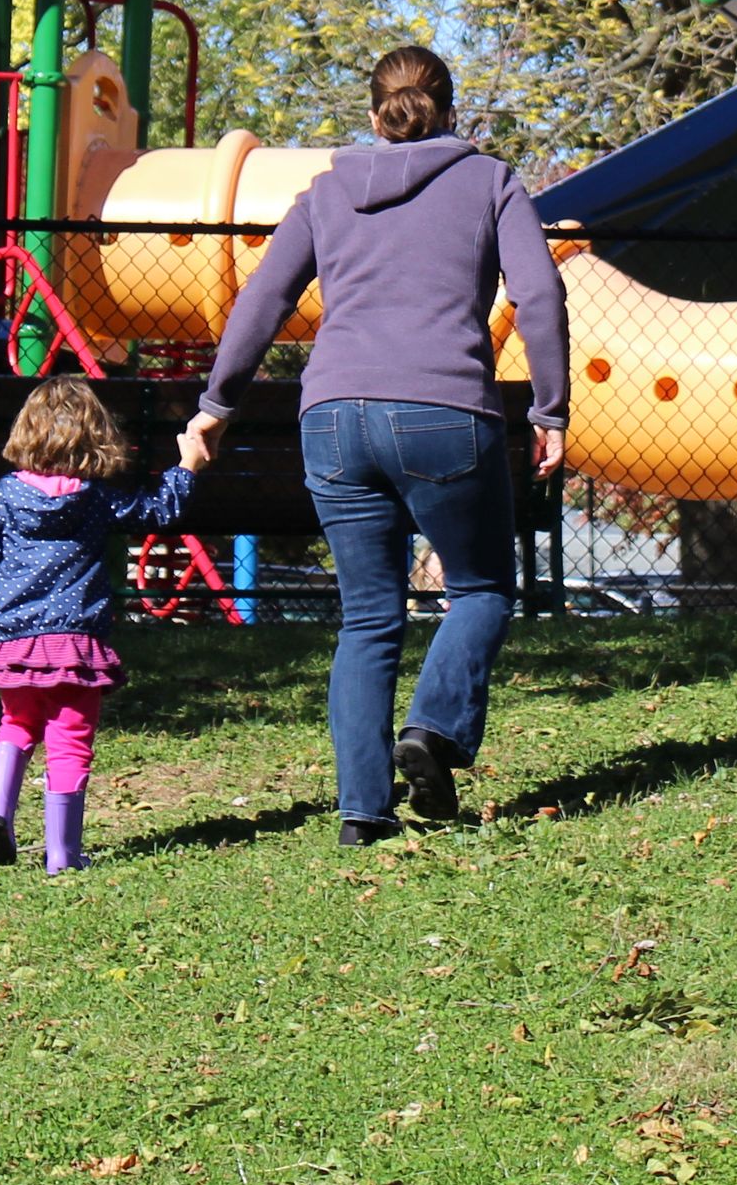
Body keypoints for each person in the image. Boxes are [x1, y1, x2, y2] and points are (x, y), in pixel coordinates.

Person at [183, 44, 567, 845]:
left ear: (372, 114)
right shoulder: (491, 181)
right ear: (450, 110)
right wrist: (550, 409)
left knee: (367, 620)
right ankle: (432, 731)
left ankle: (363, 812)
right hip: (444, 412)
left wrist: (218, 402)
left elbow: (264, 296)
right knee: (483, 589)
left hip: (331, 418)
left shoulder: (325, 192)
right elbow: (538, 291)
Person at [0, 377, 197, 875]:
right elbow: (159, 510)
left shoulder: (4, 496)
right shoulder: (97, 499)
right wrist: (186, 466)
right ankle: (62, 855)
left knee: (15, 725)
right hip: (76, 643)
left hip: (14, 640)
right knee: (70, 739)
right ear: (95, 438)